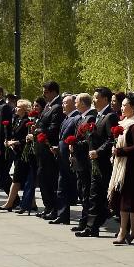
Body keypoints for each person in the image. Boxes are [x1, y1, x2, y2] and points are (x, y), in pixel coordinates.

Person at [108, 92, 134, 245]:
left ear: (133, 107)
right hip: (123, 167)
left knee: (130, 201)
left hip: (132, 168)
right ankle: (128, 230)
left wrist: (119, 151)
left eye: (125, 105)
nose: (122, 107)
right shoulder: (124, 122)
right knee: (123, 200)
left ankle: (128, 231)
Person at [77, 86, 117, 238]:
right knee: (94, 195)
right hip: (94, 163)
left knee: (101, 195)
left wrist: (98, 151)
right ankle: (92, 227)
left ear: (105, 99)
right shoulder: (98, 116)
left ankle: (124, 226)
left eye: (96, 97)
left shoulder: (110, 116)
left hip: (103, 163)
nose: (93, 100)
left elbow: (111, 139)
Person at [35, 81, 64, 219]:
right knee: (42, 178)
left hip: (50, 148)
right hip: (42, 149)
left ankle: (53, 208)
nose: (43, 94)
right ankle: (48, 207)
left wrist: (38, 130)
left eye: (46, 92)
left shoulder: (58, 106)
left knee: (50, 180)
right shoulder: (49, 105)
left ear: (53, 92)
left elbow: (53, 128)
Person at [68, 93, 97, 233]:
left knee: (86, 193)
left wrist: (76, 144)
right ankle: (83, 221)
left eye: (77, 102)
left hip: (85, 161)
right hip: (78, 160)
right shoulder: (82, 117)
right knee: (81, 192)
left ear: (84, 103)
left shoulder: (91, 117)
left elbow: (89, 141)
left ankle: (86, 222)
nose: (75, 104)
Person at [50, 94, 80, 225]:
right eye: (62, 103)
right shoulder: (66, 118)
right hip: (61, 156)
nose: (62, 105)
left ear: (74, 104)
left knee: (67, 186)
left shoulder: (76, 118)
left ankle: (64, 214)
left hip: (69, 158)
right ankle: (62, 215)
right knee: (61, 186)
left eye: (65, 103)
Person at [0, 99, 32, 211]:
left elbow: (26, 139)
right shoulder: (17, 119)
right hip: (16, 152)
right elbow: (14, 134)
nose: (15, 108)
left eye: (18, 107)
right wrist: (9, 141)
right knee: (25, 178)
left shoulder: (27, 121)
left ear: (24, 109)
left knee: (16, 179)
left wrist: (16, 142)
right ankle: (32, 203)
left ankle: (9, 203)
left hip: (23, 153)